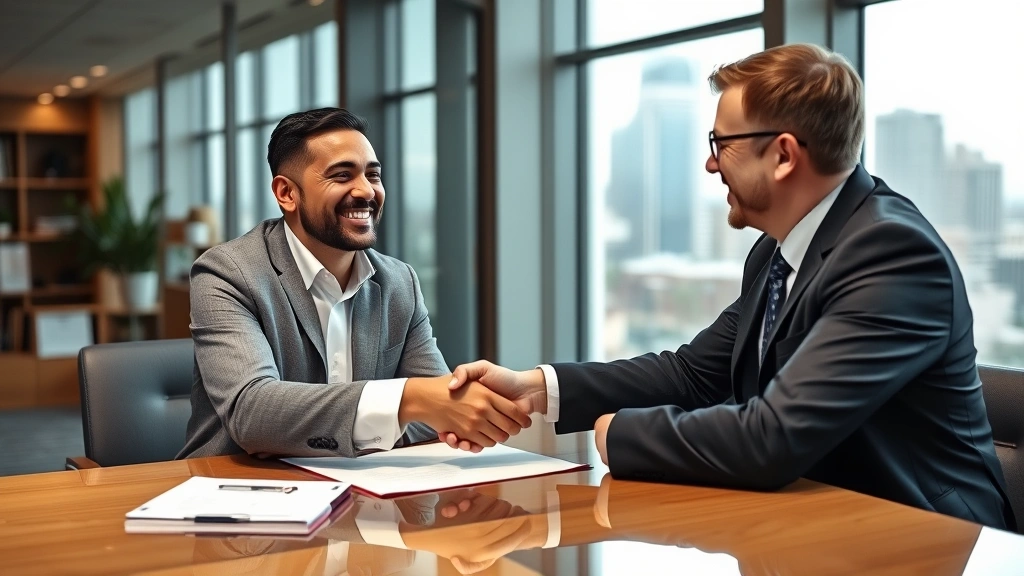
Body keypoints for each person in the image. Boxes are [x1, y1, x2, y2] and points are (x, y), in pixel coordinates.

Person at [447, 44, 1015, 530]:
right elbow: (693, 374)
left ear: (784, 154)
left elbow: (773, 438)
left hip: (926, 540)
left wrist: (620, 434)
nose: (710, 164)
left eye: (722, 144)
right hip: (813, 523)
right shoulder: (777, 251)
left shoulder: (892, 254)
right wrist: (536, 388)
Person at [178, 108, 529, 460]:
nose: (365, 191)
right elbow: (253, 415)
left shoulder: (399, 282)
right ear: (287, 193)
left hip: (364, 484)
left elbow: (439, 413)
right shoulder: (227, 273)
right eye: (342, 175)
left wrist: (430, 406)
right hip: (238, 483)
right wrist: (407, 400)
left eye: (373, 175)